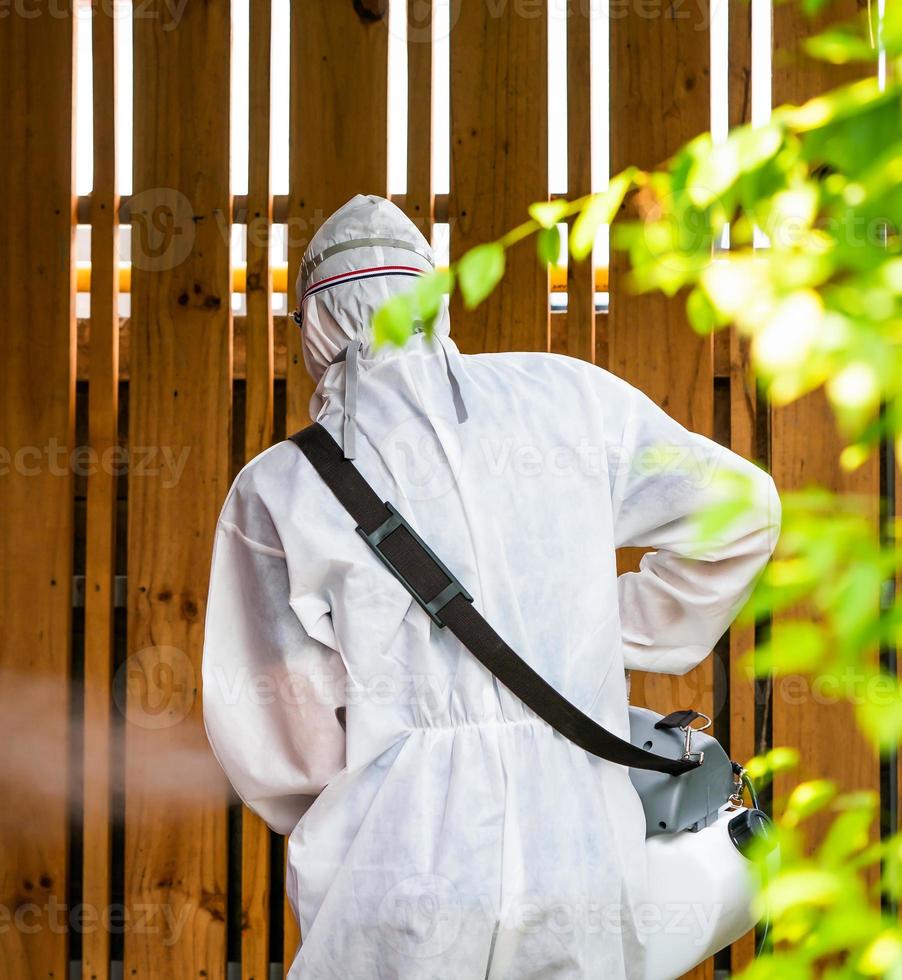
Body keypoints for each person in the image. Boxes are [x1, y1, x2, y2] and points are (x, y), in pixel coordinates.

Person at [201, 195, 781, 978]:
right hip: (579, 844)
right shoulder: (571, 400)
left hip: (399, 869)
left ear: (314, 325)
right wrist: (601, 640)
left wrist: (379, 773)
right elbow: (743, 513)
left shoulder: (281, 486)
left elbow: (273, 735)